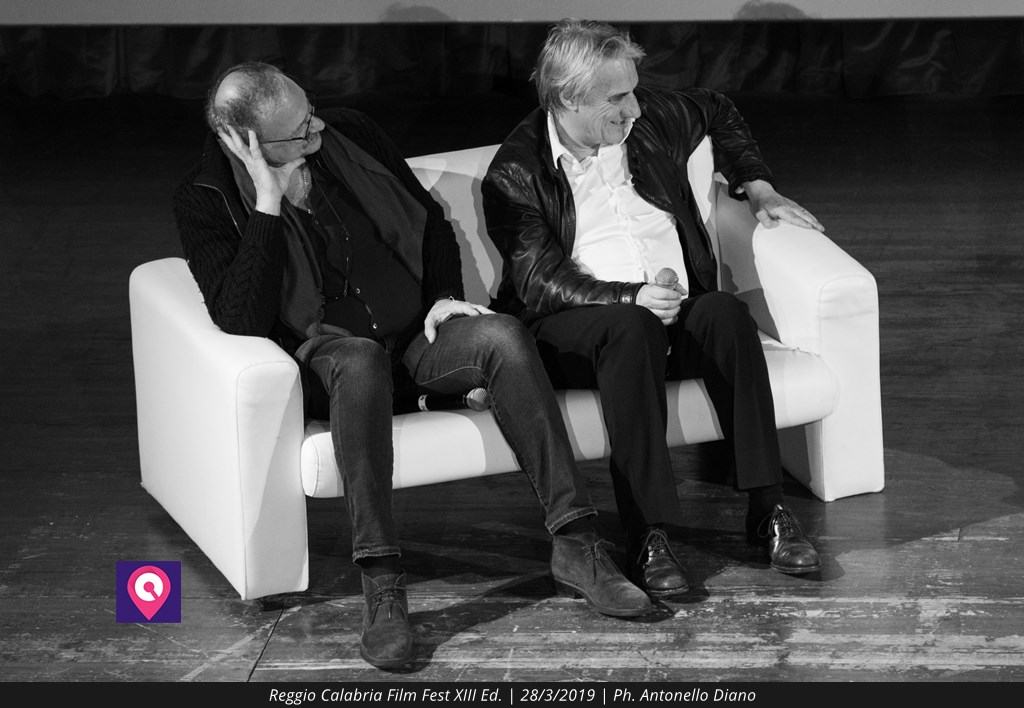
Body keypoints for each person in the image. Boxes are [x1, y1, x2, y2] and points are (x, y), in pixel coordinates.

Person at [172, 61, 653, 671]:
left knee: (502, 335)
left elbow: (431, 226)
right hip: (328, 359)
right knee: (359, 358)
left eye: (311, 112)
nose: (318, 129)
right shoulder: (205, 196)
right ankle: (382, 586)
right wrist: (268, 203)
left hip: (414, 337)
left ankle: (577, 544)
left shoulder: (351, 134)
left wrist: (444, 299)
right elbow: (240, 316)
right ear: (246, 142)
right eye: (299, 131)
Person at [481, 19, 824, 601]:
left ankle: (768, 509)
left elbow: (717, 109)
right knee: (631, 327)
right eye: (617, 98)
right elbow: (538, 281)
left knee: (724, 313)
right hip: (581, 334)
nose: (635, 109)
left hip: (668, 313)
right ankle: (647, 533)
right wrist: (629, 296)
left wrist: (758, 185)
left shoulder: (649, 122)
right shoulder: (516, 171)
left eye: (634, 91)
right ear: (568, 98)